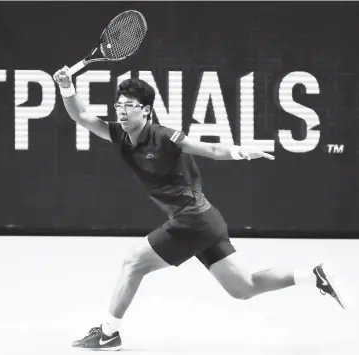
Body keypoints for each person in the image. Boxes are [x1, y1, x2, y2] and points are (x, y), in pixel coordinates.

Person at [53, 66, 345, 351]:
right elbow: (80, 114)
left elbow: (211, 150)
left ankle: (108, 333)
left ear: (146, 110)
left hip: (193, 220)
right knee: (244, 287)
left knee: (133, 263)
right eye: (119, 105)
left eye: (129, 105)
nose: (122, 110)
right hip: (206, 222)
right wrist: (67, 86)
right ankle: (313, 275)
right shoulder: (117, 135)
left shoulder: (165, 137)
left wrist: (240, 151)